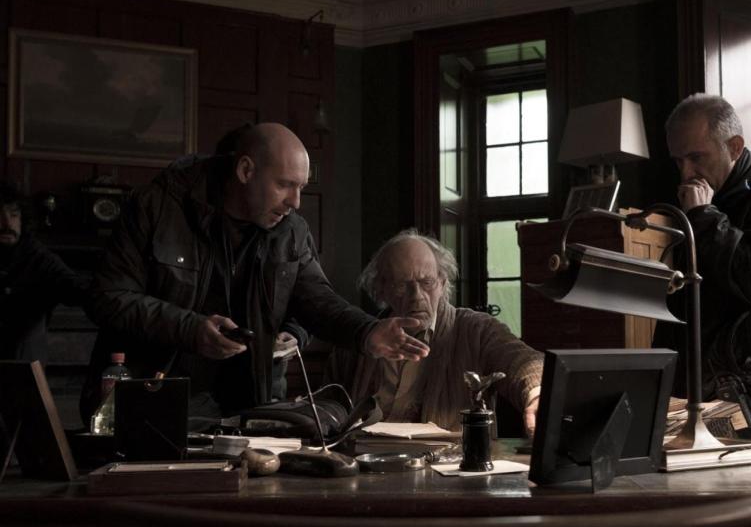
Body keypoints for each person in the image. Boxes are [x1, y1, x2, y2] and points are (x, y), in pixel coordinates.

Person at [81, 123, 428, 423]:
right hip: (150, 400)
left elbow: (317, 301)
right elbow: (107, 298)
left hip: (248, 408)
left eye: (301, 187)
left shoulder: (291, 229)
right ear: (246, 171)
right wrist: (190, 329)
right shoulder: (157, 207)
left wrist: (367, 331)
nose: (295, 202)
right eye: (285, 185)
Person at [656, 93, 751, 445]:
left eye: (697, 157)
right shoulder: (713, 200)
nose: (686, 172)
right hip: (699, 391)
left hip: (745, 396)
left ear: (735, 147)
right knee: (698, 494)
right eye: (678, 160)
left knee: (745, 492)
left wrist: (705, 219)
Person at [325, 230, 543, 435]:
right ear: (381, 289)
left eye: (426, 282)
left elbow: (523, 361)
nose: (416, 296)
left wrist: (536, 393)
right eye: (402, 285)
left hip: (446, 466)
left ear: (442, 283)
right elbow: (328, 404)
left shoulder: (476, 330)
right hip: (367, 466)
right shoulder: (359, 339)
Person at [0, 181, 87, 361]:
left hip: (22, 365)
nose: (7, 223)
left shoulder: (37, 257)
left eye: (14, 215)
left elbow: (73, 285)